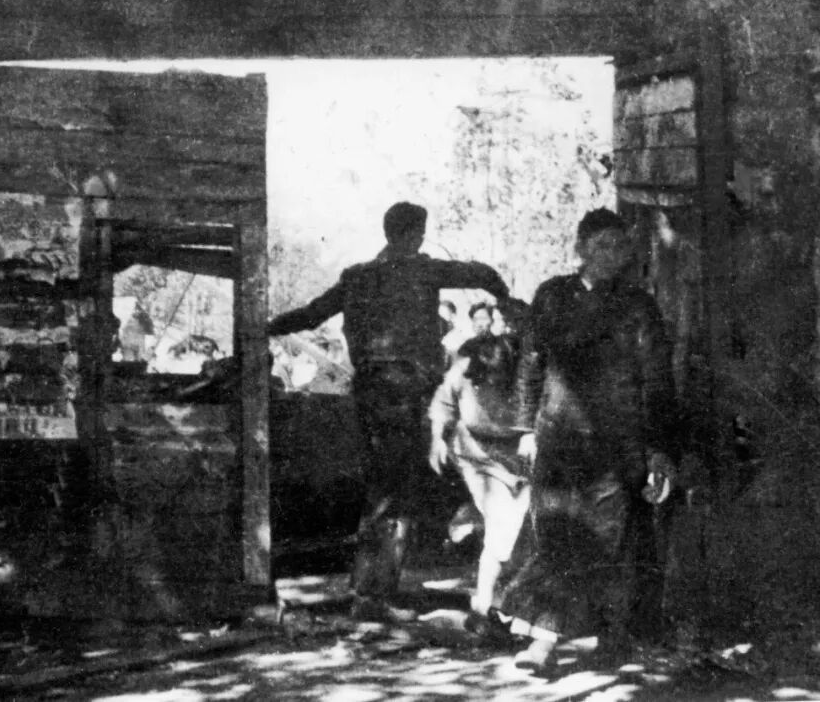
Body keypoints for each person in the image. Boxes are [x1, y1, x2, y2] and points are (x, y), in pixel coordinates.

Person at [268, 202, 510, 621]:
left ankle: (374, 590)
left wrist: (265, 327)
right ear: (416, 234)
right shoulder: (424, 269)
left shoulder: (356, 277)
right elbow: (483, 274)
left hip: (370, 393)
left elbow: (309, 316)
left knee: (387, 487)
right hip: (408, 394)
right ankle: (372, 596)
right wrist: (507, 299)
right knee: (397, 491)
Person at [501, 208, 680, 672]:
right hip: (557, 438)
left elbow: (657, 379)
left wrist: (658, 448)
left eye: (619, 246)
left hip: (618, 445)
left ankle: (611, 638)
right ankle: (543, 642)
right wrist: (525, 430)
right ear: (580, 248)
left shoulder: (638, 306)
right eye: (601, 246)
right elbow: (531, 363)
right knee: (555, 536)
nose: (611, 255)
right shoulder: (552, 296)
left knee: (613, 542)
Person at [428, 297, 531, 636]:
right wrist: (437, 439)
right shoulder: (464, 368)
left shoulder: (526, 373)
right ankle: (483, 606)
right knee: (503, 520)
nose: (485, 383)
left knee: (523, 527)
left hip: (517, 454)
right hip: (475, 453)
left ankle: (506, 604)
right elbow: (442, 403)